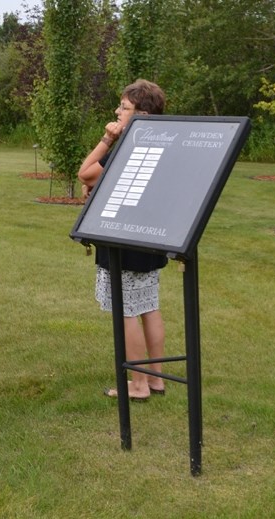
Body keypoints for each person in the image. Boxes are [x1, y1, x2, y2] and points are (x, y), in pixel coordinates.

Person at [78, 79, 168, 401]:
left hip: (124, 240)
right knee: (149, 307)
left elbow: (85, 172)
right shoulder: (163, 143)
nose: (117, 111)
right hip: (150, 237)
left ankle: (139, 384)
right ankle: (155, 379)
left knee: (127, 310)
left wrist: (107, 138)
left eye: (124, 108)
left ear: (142, 113)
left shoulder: (131, 144)